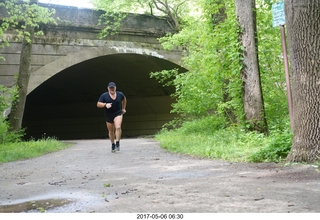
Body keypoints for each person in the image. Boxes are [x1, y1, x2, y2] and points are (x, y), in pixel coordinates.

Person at [97, 82, 127, 153]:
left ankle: (117, 143)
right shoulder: (104, 96)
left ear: (115, 88)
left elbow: (124, 99)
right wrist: (105, 105)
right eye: (110, 88)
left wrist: (123, 108)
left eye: (113, 88)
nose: (112, 89)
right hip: (109, 115)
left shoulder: (120, 94)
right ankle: (113, 144)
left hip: (118, 113)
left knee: (118, 127)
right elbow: (98, 104)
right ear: (108, 88)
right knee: (111, 131)